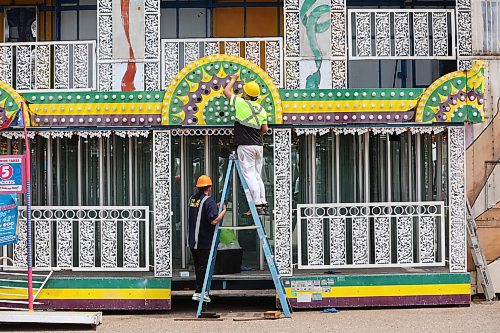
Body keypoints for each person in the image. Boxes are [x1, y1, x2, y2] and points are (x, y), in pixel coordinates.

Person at [223, 74, 269, 216]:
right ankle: (262, 202)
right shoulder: (261, 109)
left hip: (245, 146)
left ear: (247, 94)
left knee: (249, 175)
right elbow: (265, 129)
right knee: (257, 175)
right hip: (258, 146)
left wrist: (233, 79)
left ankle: (256, 204)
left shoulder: (242, 104)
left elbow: (226, 92)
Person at [188, 175, 227, 303]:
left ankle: (198, 291)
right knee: (203, 267)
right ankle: (200, 292)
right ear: (209, 188)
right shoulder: (208, 201)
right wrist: (223, 211)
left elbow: (201, 209)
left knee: (198, 266)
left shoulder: (193, 199)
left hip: (193, 240)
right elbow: (214, 220)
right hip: (204, 240)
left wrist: (214, 207)